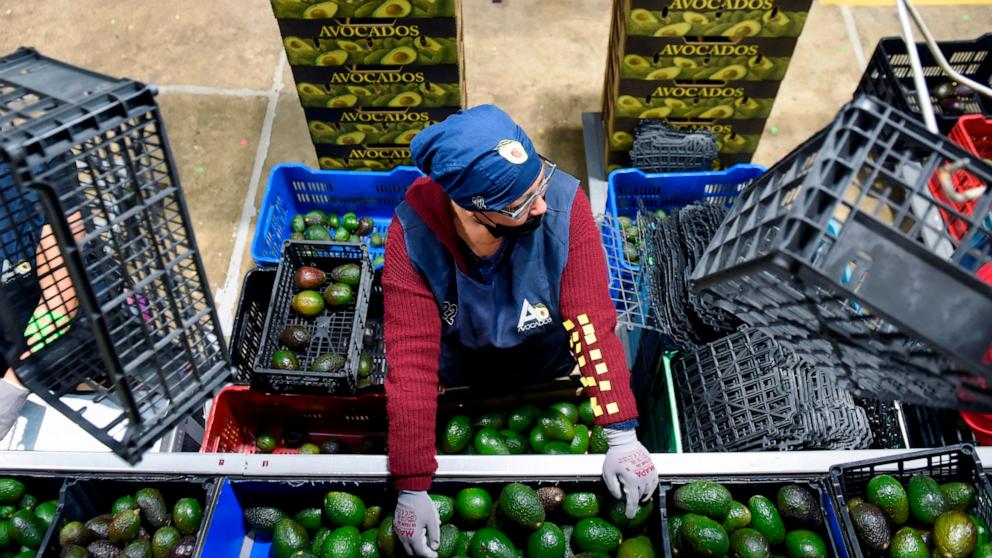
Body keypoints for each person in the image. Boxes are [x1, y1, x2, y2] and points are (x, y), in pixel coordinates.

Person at [382, 105, 658, 558]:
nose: (541, 206)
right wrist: (411, 483)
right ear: (473, 209)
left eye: (540, 184)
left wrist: (621, 434)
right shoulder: (412, 238)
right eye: (521, 203)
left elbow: (591, 321)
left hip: (547, 361)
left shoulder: (566, 210)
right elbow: (411, 366)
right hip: (466, 375)